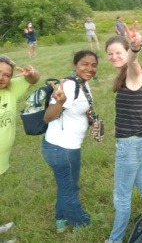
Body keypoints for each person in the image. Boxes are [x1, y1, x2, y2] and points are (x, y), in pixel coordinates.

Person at [105, 22, 142, 243]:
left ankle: (115, 240)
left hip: (130, 143)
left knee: (122, 196)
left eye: (119, 52)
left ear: (126, 51)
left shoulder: (133, 72)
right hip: (141, 137)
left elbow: (134, 61)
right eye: (110, 54)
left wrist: (135, 49)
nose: (114, 57)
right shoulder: (124, 75)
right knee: (141, 176)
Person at [41, 50, 99, 233]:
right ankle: (81, 223)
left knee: (65, 185)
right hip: (62, 148)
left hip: (66, 146)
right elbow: (48, 117)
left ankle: (61, 220)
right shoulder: (68, 86)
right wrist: (59, 103)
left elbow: (82, 108)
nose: (90, 68)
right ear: (75, 65)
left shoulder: (83, 84)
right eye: (84, 64)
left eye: (94, 65)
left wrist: (93, 121)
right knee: (70, 188)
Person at [0, 55, 40, 175]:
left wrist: (33, 73)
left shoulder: (11, 89)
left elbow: (34, 79)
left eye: (7, 75)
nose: (1, 77)